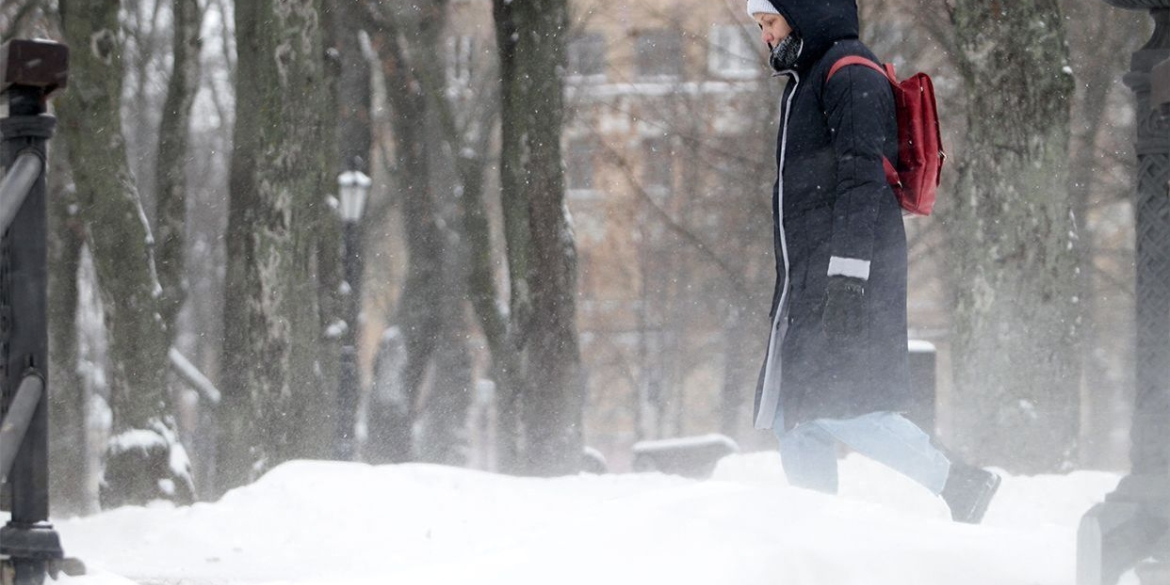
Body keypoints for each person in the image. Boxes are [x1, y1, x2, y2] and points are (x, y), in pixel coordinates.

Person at [745, 0, 1000, 523]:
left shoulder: (850, 72)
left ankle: (959, 483)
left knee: (842, 407)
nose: (767, 37)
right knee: (795, 414)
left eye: (770, 22)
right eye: (761, 26)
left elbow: (863, 180)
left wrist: (848, 276)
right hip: (810, 274)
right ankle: (817, 534)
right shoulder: (808, 80)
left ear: (802, 13)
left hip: (847, 271)